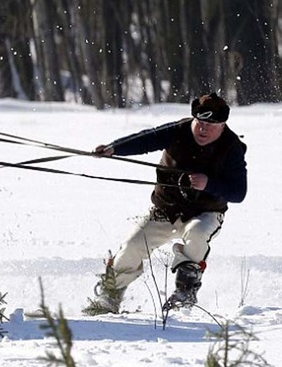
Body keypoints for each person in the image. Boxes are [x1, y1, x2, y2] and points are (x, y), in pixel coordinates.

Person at [83, 93, 247, 315]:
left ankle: (185, 292)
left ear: (222, 124)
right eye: (200, 122)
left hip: (206, 214)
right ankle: (110, 296)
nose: (203, 129)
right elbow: (146, 139)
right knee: (131, 246)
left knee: (197, 236)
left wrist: (209, 183)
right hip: (165, 210)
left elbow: (238, 192)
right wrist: (114, 148)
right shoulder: (178, 131)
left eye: (211, 124)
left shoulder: (232, 147)